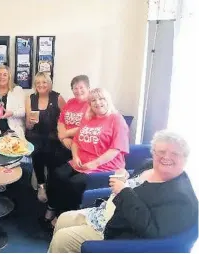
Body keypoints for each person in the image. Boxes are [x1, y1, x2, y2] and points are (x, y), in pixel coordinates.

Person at [48, 130, 198, 252]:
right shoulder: (149, 165)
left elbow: (151, 228)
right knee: (63, 218)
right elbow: (135, 182)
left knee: (62, 238)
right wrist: (125, 176)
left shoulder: (180, 198)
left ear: (185, 158)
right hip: (103, 213)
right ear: (153, 153)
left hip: (115, 230)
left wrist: (124, 191)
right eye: (161, 152)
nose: (166, 157)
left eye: (174, 154)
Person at [44, 88, 129, 227]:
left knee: (74, 183)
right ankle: (55, 208)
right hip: (81, 161)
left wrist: (95, 163)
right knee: (57, 175)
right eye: (93, 100)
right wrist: (75, 156)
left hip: (104, 166)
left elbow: (116, 149)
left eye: (101, 99)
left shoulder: (117, 119)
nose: (98, 103)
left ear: (108, 100)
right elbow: (76, 142)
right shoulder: (88, 118)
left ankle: (68, 218)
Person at [25, 72, 70, 203]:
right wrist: (30, 122)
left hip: (53, 135)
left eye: (44, 82)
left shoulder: (58, 97)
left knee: (52, 151)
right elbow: (28, 126)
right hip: (35, 135)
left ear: (49, 83)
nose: (41, 85)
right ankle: (41, 185)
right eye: (38, 83)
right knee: (37, 150)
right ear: (35, 85)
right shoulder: (30, 98)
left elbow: (67, 118)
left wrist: (65, 134)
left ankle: (51, 185)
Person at [57, 75, 90, 149]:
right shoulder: (70, 102)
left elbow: (88, 128)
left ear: (88, 88)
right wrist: (64, 139)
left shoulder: (93, 104)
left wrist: (64, 135)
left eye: (81, 87)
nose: (78, 91)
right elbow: (61, 121)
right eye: (75, 88)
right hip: (65, 141)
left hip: (82, 145)